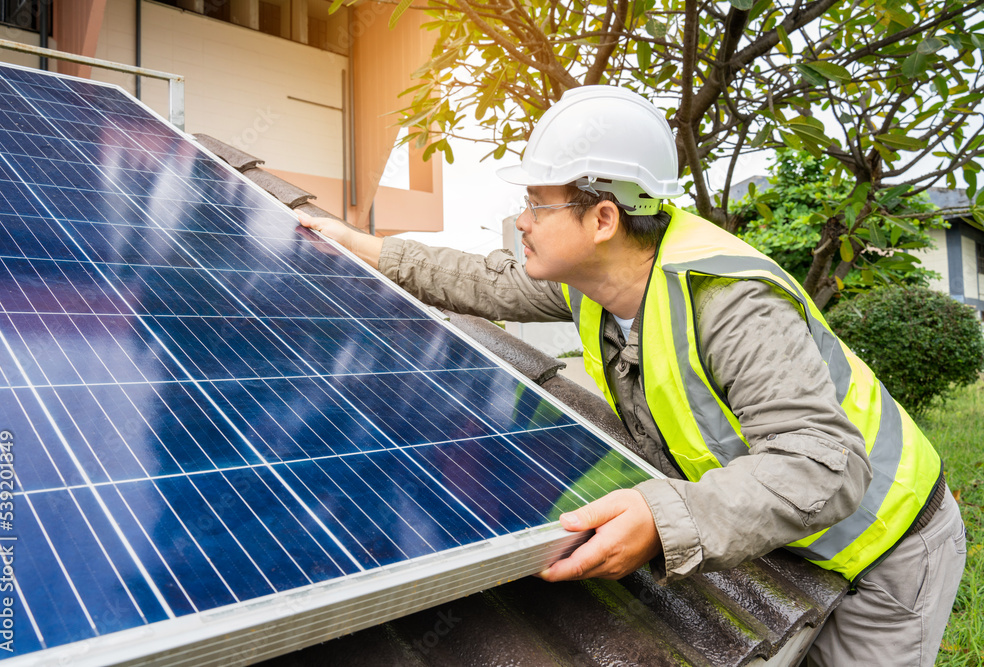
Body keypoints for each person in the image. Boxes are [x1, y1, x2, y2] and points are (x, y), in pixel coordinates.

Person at [298, 86, 966, 666]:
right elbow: (486, 282)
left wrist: (667, 512)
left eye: (536, 203)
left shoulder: (727, 303)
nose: (522, 223)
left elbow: (826, 465)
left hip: (888, 546)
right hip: (796, 542)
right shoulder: (595, 285)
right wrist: (372, 250)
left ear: (603, 217)